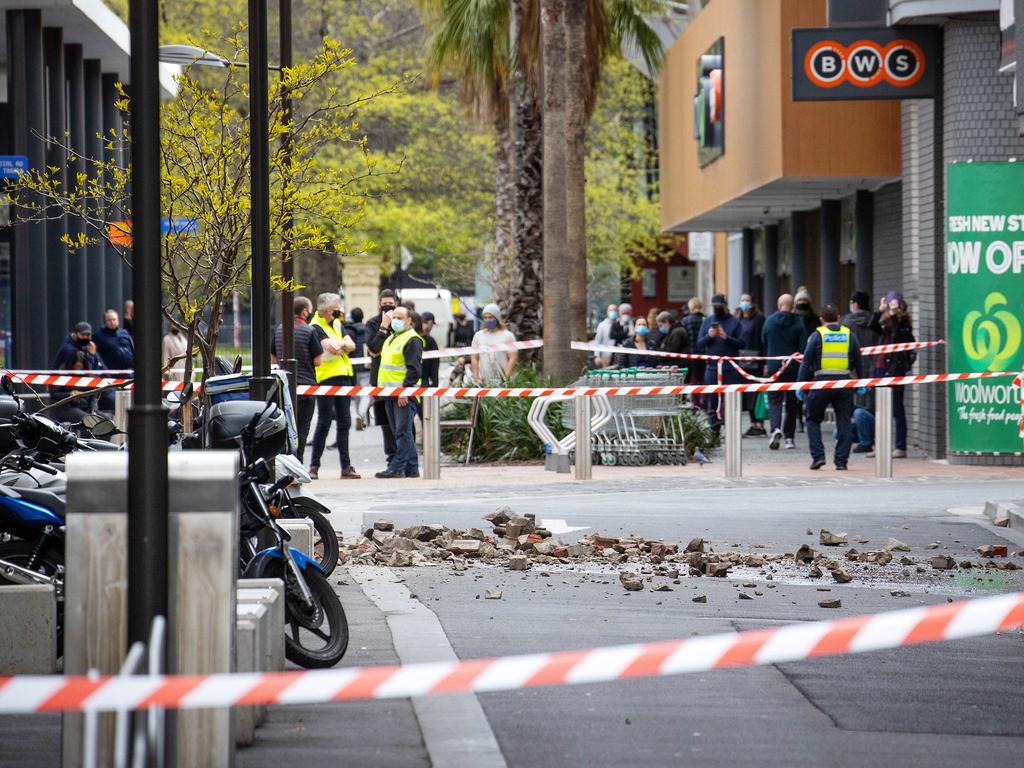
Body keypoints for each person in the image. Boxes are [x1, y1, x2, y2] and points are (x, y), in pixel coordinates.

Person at [797, 304, 864, 471]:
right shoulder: (849, 335)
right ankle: (841, 461)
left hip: (820, 383)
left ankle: (818, 457)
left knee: (813, 420)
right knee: (844, 422)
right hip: (844, 384)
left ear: (821, 319)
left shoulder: (817, 335)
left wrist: (801, 385)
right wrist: (861, 382)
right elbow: (859, 361)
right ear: (839, 317)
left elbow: (806, 363)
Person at [308, 293, 360, 480]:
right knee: (324, 421)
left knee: (345, 421)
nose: (340, 310)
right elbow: (331, 348)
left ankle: (346, 467)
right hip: (326, 379)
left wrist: (342, 345)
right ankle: (314, 466)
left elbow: (351, 345)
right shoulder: (316, 326)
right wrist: (341, 345)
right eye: (338, 306)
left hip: (344, 378)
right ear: (329, 310)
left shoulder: (337, 324)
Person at [375, 306, 423, 479]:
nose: (396, 320)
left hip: (403, 394)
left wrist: (405, 391)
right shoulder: (391, 338)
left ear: (410, 320)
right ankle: (412, 468)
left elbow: (414, 370)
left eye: (400, 317)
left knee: (402, 432)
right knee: (401, 432)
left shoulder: (412, 339)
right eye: (394, 317)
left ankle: (396, 467)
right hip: (389, 393)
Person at [271, 296, 321, 462]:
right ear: (305, 311)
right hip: (306, 386)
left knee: (286, 428)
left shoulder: (279, 329)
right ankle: (298, 462)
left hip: (284, 386)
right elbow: (318, 360)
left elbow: (272, 355)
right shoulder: (309, 330)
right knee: (302, 427)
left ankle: (287, 462)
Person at [871, 291, 915, 458]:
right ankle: (879, 446)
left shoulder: (904, 323)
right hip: (880, 368)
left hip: (896, 369)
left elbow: (898, 337)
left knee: (897, 410)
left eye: (894, 305)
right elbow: (872, 327)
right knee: (880, 409)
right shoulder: (883, 321)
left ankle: (900, 446)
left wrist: (895, 315)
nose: (891, 308)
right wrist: (879, 311)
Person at [762, 293, 807, 450]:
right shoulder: (798, 322)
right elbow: (803, 347)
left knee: (774, 400)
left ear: (778, 304)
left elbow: (764, 341)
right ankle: (789, 438)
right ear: (792, 305)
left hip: (774, 366)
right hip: (793, 366)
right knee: (792, 403)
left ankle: (775, 429)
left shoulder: (769, 321)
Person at [695, 294, 744, 424]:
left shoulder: (735, 321)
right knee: (713, 403)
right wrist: (709, 336)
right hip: (712, 368)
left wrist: (726, 337)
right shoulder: (707, 321)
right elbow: (699, 344)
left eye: (719, 306)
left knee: (732, 403)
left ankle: (732, 431)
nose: (717, 308)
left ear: (725, 306)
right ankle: (715, 433)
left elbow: (742, 343)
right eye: (714, 306)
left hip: (731, 368)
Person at [366, 289, 400, 465]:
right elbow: (373, 349)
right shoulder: (372, 324)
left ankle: (403, 459)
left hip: (400, 381)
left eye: (391, 303)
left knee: (401, 422)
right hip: (379, 381)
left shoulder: (403, 322)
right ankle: (391, 458)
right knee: (385, 422)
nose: (388, 307)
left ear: (396, 303)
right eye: (384, 304)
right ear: (379, 304)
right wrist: (383, 327)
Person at [736, 293, 767, 437]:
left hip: (756, 361)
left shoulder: (759, 319)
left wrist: (765, 361)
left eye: (747, 300)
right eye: (742, 300)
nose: (744, 303)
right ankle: (752, 424)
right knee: (747, 393)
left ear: (752, 303)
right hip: (742, 361)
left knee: (756, 392)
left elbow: (762, 340)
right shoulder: (738, 319)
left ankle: (759, 424)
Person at [48, 350, 97, 427]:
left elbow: (94, 396)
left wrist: (94, 410)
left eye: (81, 365)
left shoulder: (89, 377)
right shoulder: (61, 376)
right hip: (67, 408)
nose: (79, 367)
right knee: (89, 421)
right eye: (76, 365)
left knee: (105, 421)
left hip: (86, 407)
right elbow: (54, 394)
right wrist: (69, 394)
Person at [471, 303, 518, 383]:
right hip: (484, 381)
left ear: (497, 318)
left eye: (490, 317)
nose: (488, 320)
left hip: (501, 380)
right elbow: (474, 357)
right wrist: (476, 377)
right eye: (485, 318)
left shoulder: (507, 335)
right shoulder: (478, 336)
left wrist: (505, 378)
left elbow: (513, 357)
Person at [346, 307, 372, 431]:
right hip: (367, 366)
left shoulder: (349, 331)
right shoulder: (368, 329)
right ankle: (361, 415)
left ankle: (359, 415)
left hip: (353, 367)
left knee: (356, 394)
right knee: (366, 394)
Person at [682, 297, 707, 403]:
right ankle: (705, 401)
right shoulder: (705, 319)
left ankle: (695, 403)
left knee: (693, 379)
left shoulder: (685, 320)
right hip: (704, 353)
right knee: (704, 379)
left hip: (690, 354)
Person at [420, 311, 440, 387]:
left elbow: (435, 363)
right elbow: (434, 364)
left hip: (418, 379)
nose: (431, 327)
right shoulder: (430, 341)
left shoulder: (411, 336)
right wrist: (435, 382)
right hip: (423, 379)